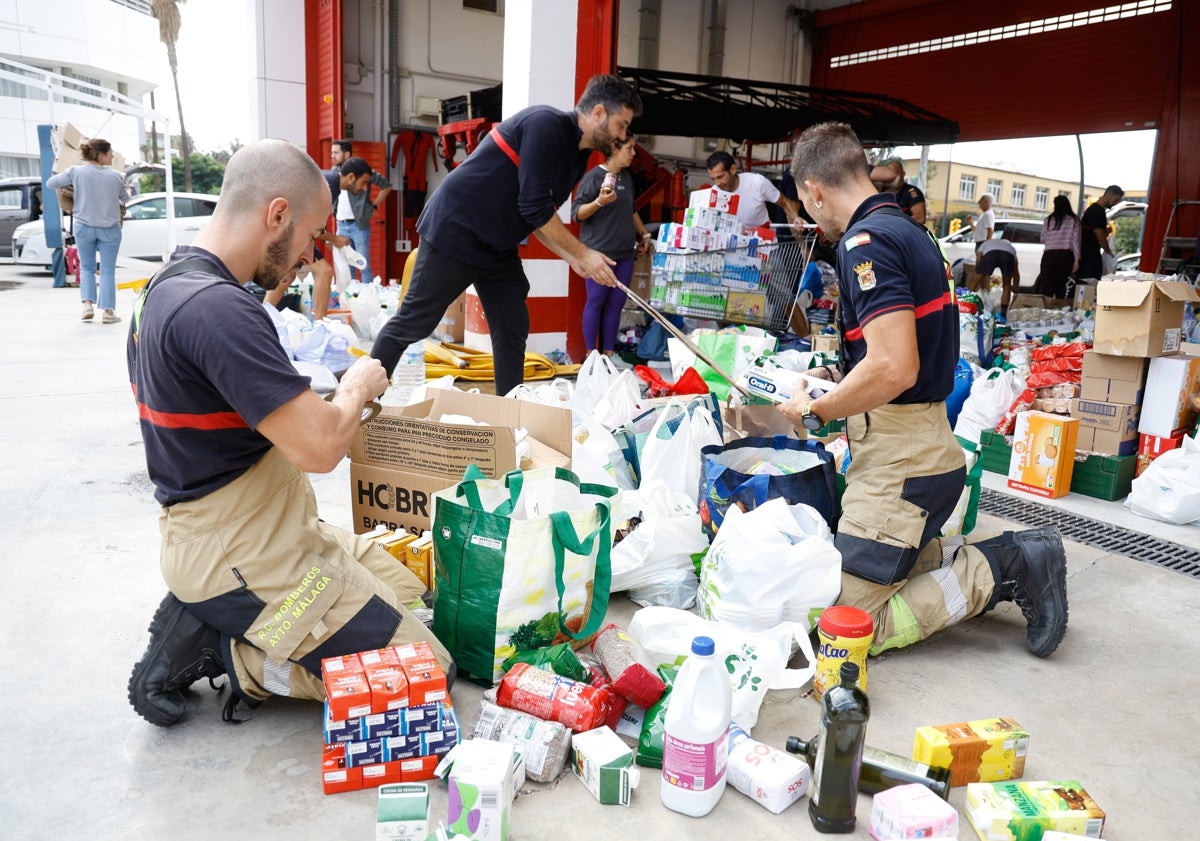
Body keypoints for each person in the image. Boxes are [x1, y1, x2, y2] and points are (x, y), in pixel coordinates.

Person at [125, 139, 453, 728]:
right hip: (241, 551)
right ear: (276, 215)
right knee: (423, 673)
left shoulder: (172, 285)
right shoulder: (217, 311)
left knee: (418, 604)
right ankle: (229, 648)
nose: (310, 256)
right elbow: (321, 448)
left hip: (272, 526)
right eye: (310, 235)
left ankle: (232, 616)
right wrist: (354, 389)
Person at [778, 121, 1068, 658]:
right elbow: (900, 353)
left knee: (839, 634)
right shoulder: (909, 231)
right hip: (916, 444)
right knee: (876, 569)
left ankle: (1005, 567)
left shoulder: (865, 243)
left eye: (804, 201)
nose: (810, 214)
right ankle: (956, 557)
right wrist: (842, 380)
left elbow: (894, 368)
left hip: (900, 464)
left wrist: (814, 410)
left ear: (814, 189)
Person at [371, 74, 642, 397]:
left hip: (496, 248)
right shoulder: (547, 126)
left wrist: (575, 260)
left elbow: (539, 218)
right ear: (598, 113)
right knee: (414, 322)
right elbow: (535, 207)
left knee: (511, 327)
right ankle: (359, 401)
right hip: (456, 230)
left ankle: (509, 414)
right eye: (621, 125)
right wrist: (583, 253)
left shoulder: (577, 156)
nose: (622, 135)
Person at [571, 135, 650, 356]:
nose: (634, 153)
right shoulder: (593, 178)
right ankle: (590, 354)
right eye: (630, 148)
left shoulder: (625, 177)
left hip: (625, 254)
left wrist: (644, 234)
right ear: (614, 149)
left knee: (616, 304)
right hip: (599, 254)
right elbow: (576, 213)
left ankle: (608, 354)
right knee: (596, 302)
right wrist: (599, 202)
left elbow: (631, 210)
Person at [46, 138, 129, 324]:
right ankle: (108, 312)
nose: (112, 155)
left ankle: (87, 306)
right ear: (101, 155)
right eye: (109, 153)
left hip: (83, 227)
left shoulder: (75, 172)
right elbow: (125, 197)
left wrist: (70, 186)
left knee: (87, 268)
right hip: (110, 229)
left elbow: (51, 183)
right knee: (107, 271)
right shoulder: (117, 176)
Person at [308, 156, 378, 320]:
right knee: (324, 272)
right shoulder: (329, 185)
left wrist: (328, 239)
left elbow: (314, 223)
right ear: (352, 177)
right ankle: (318, 325)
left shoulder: (332, 183)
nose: (364, 188)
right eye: (364, 182)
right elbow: (311, 224)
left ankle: (316, 321)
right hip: (293, 230)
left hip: (296, 230)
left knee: (288, 277)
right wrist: (334, 239)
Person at [331, 139, 392, 283]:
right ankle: (351, 298)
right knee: (346, 266)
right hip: (341, 225)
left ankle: (368, 297)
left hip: (359, 226)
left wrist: (375, 206)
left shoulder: (362, 171)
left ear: (346, 154)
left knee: (363, 265)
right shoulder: (334, 174)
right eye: (331, 153)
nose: (332, 156)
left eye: (336, 152)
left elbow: (386, 186)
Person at [703, 151, 801, 230]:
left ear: (732, 169)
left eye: (720, 177)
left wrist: (795, 217)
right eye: (713, 179)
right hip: (732, 247)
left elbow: (785, 202)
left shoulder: (757, 182)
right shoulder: (713, 194)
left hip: (764, 245)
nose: (717, 183)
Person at [1034, 195, 1081, 300]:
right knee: (1061, 286)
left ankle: (1045, 311)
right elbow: (1075, 241)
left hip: (1049, 255)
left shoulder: (1049, 219)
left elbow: (1043, 238)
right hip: (1065, 256)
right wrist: (1077, 260)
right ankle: (1060, 311)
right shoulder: (1074, 220)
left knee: (1046, 286)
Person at [1078, 185, 1124, 282]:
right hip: (1089, 258)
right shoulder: (1097, 211)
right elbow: (1100, 236)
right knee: (1089, 288)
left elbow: (1094, 232)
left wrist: (1105, 232)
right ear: (1109, 195)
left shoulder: (1094, 210)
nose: (1115, 204)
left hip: (1087, 256)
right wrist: (1109, 252)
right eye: (1115, 200)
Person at [869, 158, 927, 224]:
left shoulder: (911, 192)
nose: (892, 178)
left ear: (903, 173)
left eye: (895, 172)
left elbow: (920, 218)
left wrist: (895, 224)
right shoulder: (882, 193)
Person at [972, 237, 1020, 315]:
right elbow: (1016, 272)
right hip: (1007, 255)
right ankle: (1003, 314)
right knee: (1007, 285)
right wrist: (1016, 290)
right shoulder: (1011, 248)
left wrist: (978, 274)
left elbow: (978, 259)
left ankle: (967, 303)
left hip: (991, 254)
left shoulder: (986, 243)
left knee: (974, 282)